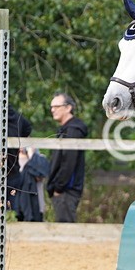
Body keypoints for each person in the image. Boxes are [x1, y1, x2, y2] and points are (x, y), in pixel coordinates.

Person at [47, 94, 88, 222]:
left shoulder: (73, 130)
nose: (53, 110)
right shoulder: (64, 129)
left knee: (65, 231)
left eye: (57, 106)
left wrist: (59, 187)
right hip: (63, 191)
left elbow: (69, 162)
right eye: (51, 107)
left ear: (68, 108)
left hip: (66, 191)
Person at [5, 106, 33, 216]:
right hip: (13, 171)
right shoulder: (17, 117)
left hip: (6, 173)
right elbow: (27, 129)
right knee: (11, 213)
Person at [14, 146, 50, 222]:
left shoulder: (40, 159)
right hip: (19, 208)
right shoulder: (13, 160)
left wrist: (32, 155)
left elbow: (42, 173)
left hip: (37, 208)